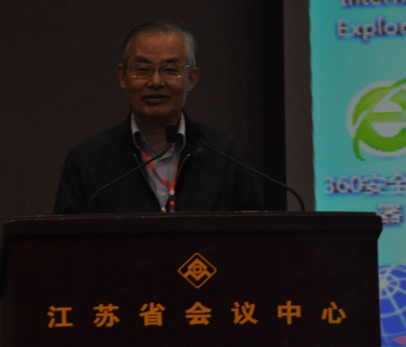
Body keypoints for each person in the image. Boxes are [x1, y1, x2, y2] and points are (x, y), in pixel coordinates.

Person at [53, 21, 265, 214]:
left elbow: (255, 237)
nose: (156, 82)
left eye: (170, 70)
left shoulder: (226, 155)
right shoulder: (88, 161)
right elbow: (65, 240)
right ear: (122, 76)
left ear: (191, 79)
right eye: (143, 70)